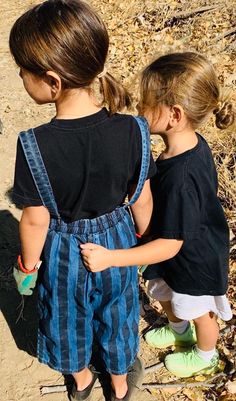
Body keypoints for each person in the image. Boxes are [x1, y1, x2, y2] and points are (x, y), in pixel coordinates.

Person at [9, 1, 157, 400]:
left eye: (23, 70)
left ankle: (81, 382)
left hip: (62, 249)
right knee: (119, 310)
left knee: (65, 315)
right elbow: (141, 196)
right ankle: (120, 384)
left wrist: (27, 264)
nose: (21, 77)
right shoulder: (134, 129)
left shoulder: (35, 145)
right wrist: (144, 238)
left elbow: (35, 220)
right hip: (118, 241)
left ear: (52, 82)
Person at [81, 52, 235, 378]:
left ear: (174, 115)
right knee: (163, 290)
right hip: (177, 243)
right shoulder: (184, 146)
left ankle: (205, 354)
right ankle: (179, 332)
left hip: (195, 258)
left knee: (200, 311)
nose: (139, 110)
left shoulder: (183, 177)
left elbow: (170, 245)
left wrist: (113, 257)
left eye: (146, 104)